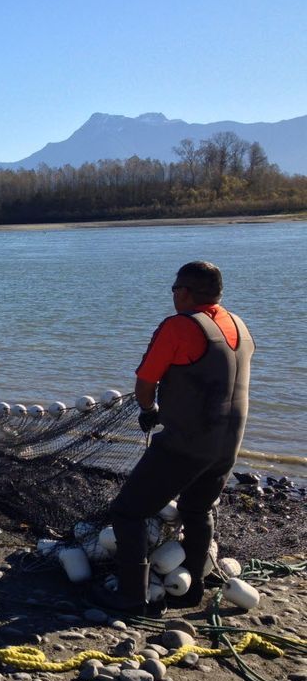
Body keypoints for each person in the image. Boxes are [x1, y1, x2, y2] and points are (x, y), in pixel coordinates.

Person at [92, 261, 254, 615]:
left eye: (174, 289)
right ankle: (191, 589)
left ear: (185, 292)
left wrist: (149, 409)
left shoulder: (180, 326)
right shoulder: (238, 325)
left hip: (186, 443)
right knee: (198, 508)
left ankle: (132, 596)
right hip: (228, 444)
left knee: (128, 512)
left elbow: (145, 384)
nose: (173, 295)